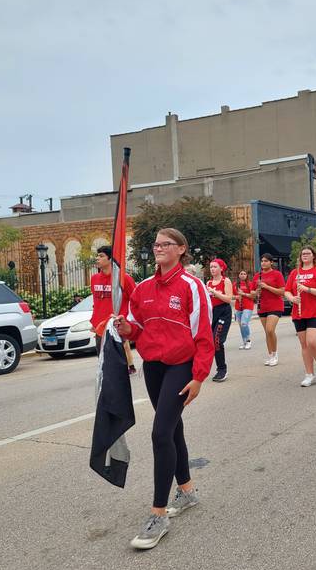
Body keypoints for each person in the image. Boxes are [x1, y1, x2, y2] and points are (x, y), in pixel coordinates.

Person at [114, 227, 214, 550]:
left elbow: (203, 335)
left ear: (181, 249)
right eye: (155, 244)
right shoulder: (142, 288)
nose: (158, 248)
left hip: (181, 365)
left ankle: (158, 515)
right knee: (172, 428)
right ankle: (186, 491)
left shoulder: (192, 287)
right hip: (153, 367)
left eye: (165, 244)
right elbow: (136, 326)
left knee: (160, 434)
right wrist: (124, 327)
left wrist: (199, 376)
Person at [285, 246, 316, 386]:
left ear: (313, 256)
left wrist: (308, 289)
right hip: (298, 313)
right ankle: (309, 374)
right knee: (304, 345)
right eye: (303, 253)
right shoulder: (294, 273)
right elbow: (287, 291)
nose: (304, 255)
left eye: (308, 253)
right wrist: (292, 298)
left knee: (312, 342)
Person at [90, 245, 136, 354]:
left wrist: (128, 321)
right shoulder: (94, 279)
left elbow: (135, 301)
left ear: (110, 259)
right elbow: (96, 302)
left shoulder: (124, 278)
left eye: (101, 256)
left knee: (118, 363)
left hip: (117, 326)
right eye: (97, 256)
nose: (97, 258)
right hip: (100, 328)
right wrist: (94, 321)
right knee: (103, 363)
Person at [251, 254, 286, 367]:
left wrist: (266, 287)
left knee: (270, 330)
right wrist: (256, 292)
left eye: (266, 261)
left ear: (271, 262)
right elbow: (252, 293)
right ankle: (270, 355)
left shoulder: (277, 274)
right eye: (262, 261)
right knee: (267, 332)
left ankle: (275, 354)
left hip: (275, 305)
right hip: (262, 306)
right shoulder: (257, 276)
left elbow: (282, 291)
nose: (263, 263)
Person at [206, 258, 233, 382]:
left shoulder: (225, 281)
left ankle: (222, 370)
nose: (212, 269)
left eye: (215, 267)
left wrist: (214, 292)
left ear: (221, 268)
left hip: (224, 312)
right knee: (210, 341)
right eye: (211, 267)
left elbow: (228, 299)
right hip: (213, 313)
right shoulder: (208, 283)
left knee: (217, 340)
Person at [233, 270, 254, 350]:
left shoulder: (250, 284)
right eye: (241, 274)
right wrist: (236, 297)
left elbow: (253, 296)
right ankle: (244, 342)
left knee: (244, 323)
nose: (243, 275)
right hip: (238, 307)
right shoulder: (235, 284)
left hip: (248, 306)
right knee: (241, 326)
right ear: (239, 275)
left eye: (244, 274)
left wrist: (243, 294)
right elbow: (231, 295)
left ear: (247, 275)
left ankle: (248, 341)